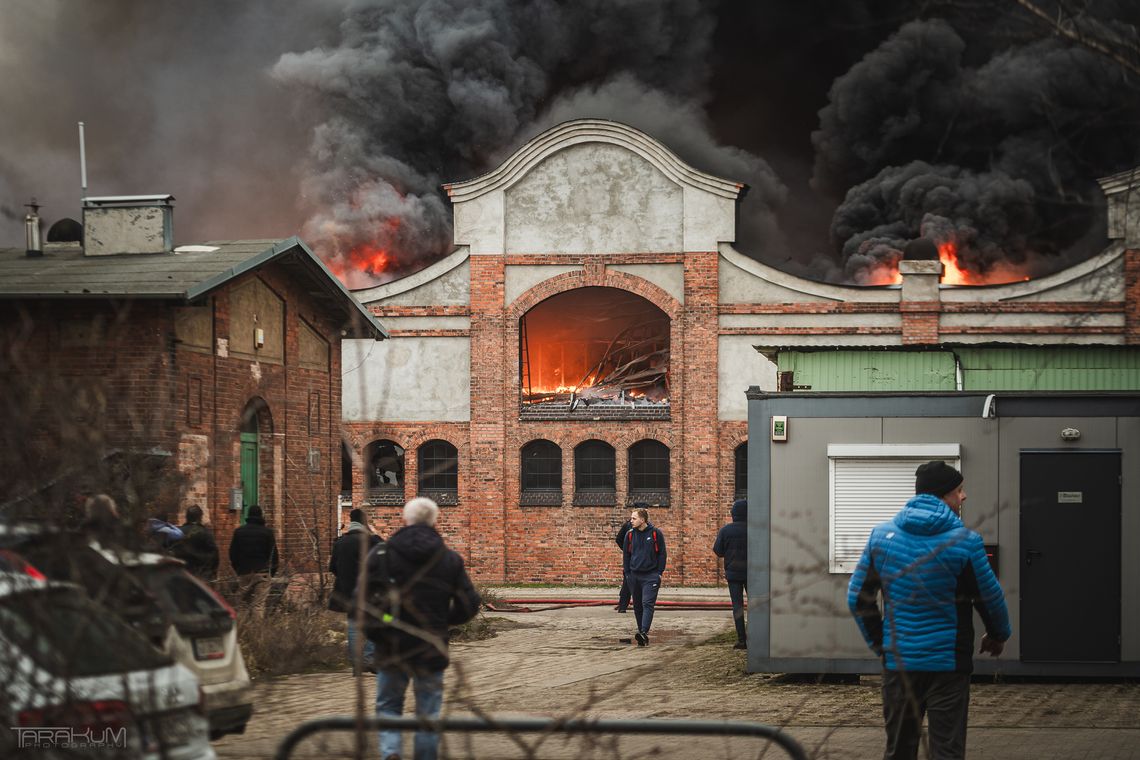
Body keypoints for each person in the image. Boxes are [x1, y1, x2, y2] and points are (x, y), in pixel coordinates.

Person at [847, 460, 1011, 760]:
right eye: (959, 490)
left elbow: (858, 598)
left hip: (899, 665)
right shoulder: (966, 542)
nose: (964, 497)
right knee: (947, 750)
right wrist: (998, 634)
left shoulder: (881, 537)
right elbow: (989, 596)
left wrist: (881, 644)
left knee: (899, 750)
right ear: (943, 495)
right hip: (947, 666)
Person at [364, 497, 480, 760]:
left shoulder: (381, 555)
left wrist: (377, 633)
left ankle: (391, 752)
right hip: (430, 645)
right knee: (428, 712)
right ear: (434, 521)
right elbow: (470, 603)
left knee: (389, 705)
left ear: (405, 520)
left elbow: (361, 602)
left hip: (391, 645)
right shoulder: (448, 559)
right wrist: (444, 621)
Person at [329, 507, 382, 675]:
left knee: (353, 626)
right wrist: (374, 533)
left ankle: (356, 664)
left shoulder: (340, 543)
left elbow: (333, 568)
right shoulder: (370, 541)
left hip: (346, 592)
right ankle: (368, 657)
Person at [622, 506, 666, 646]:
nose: (631, 521)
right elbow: (626, 555)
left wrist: (659, 573)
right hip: (634, 576)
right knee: (637, 606)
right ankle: (641, 633)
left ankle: (643, 632)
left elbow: (662, 554)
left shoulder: (655, 533)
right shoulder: (629, 534)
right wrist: (628, 574)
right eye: (631, 518)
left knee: (647, 603)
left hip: (651, 575)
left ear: (642, 520)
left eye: (634, 518)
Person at [228, 505, 279, 614]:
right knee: (258, 605)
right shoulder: (267, 532)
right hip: (262, 572)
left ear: (248, 515)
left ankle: (242, 629)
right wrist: (271, 572)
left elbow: (232, 553)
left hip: (244, 572)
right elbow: (274, 555)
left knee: (241, 604)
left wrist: (238, 570)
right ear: (261, 516)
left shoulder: (239, 532)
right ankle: (257, 630)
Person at [713, 498, 748, 649]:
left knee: (737, 606)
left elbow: (718, 551)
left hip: (733, 574)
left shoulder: (726, 530)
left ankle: (741, 640)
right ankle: (756, 637)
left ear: (733, 513)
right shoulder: (755, 529)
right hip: (752, 573)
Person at [172, 505, 220, 579]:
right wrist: (213, 572)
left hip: (182, 574)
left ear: (187, 517)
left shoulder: (178, 532)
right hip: (201, 575)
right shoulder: (205, 533)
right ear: (200, 517)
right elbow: (214, 554)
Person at [614, 514, 634, 613]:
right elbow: (619, 539)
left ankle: (623, 605)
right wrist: (626, 549)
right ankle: (622, 605)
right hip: (631, 557)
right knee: (627, 581)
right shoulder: (628, 526)